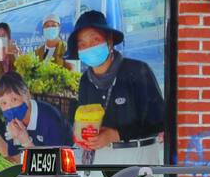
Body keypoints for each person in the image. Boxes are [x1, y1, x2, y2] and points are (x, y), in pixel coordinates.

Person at [66, 9, 166, 165]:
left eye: (95, 40)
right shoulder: (86, 80)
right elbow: (83, 116)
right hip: (100, 157)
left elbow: (159, 121)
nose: (89, 47)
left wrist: (116, 135)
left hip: (138, 156)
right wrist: (80, 133)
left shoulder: (137, 71)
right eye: (83, 44)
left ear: (110, 41)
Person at [0, 71, 73, 162]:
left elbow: (52, 164)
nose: (9, 107)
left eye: (14, 99)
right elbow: (15, 158)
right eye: (4, 103)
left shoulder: (50, 119)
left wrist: (26, 142)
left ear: (27, 94)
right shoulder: (11, 120)